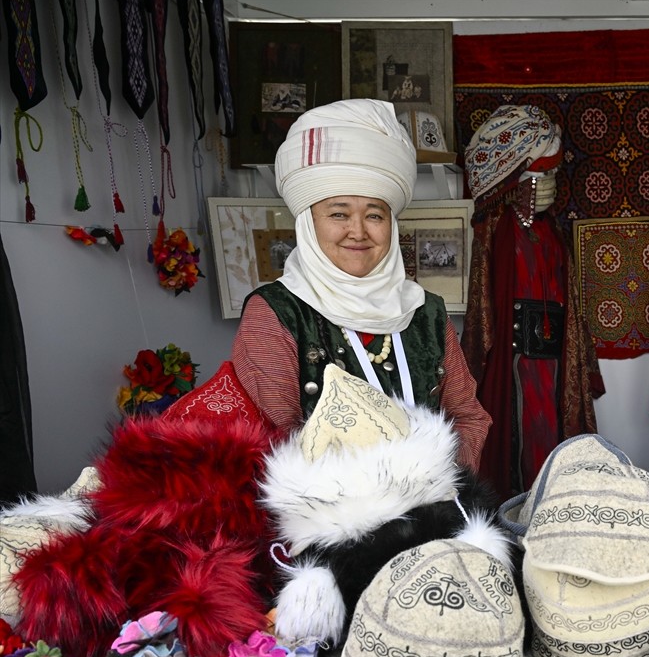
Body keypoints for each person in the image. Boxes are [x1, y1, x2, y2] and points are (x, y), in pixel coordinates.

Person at [231, 99, 491, 471]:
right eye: (338, 213)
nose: (358, 231)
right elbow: (272, 438)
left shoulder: (425, 312)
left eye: (374, 215)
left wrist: (434, 480)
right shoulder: (276, 313)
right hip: (327, 520)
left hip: (432, 509)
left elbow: (468, 417)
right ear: (309, 222)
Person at [461, 104, 603, 496]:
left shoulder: (555, 234)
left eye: (555, 174)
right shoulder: (496, 232)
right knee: (522, 441)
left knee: (554, 439)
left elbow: (571, 302)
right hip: (516, 362)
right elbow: (482, 308)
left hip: (554, 361)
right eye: (544, 174)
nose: (553, 182)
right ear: (520, 180)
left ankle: (553, 512)